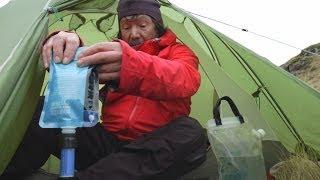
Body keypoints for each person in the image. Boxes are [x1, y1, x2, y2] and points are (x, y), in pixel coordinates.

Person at [1, 0, 208, 179]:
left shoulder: (178, 52)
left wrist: (133, 66)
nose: (133, 34)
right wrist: (65, 40)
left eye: (142, 25)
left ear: (157, 25)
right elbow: (80, 63)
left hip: (152, 152)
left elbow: (184, 79)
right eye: (126, 27)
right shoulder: (112, 51)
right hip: (107, 147)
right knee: (41, 108)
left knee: (191, 132)